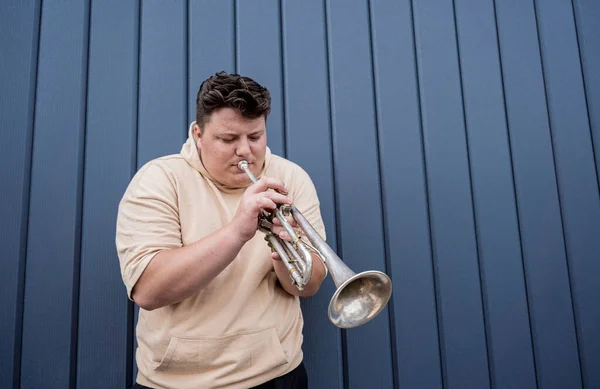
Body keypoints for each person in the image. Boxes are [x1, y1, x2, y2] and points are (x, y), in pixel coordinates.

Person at [116, 71, 328, 389]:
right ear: (198, 134)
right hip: (180, 382)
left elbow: (308, 286)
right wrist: (237, 232)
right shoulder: (160, 179)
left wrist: (288, 257)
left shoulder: (290, 177)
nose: (245, 151)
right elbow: (148, 291)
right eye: (228, 139)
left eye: (255, 137)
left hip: (277, 374)